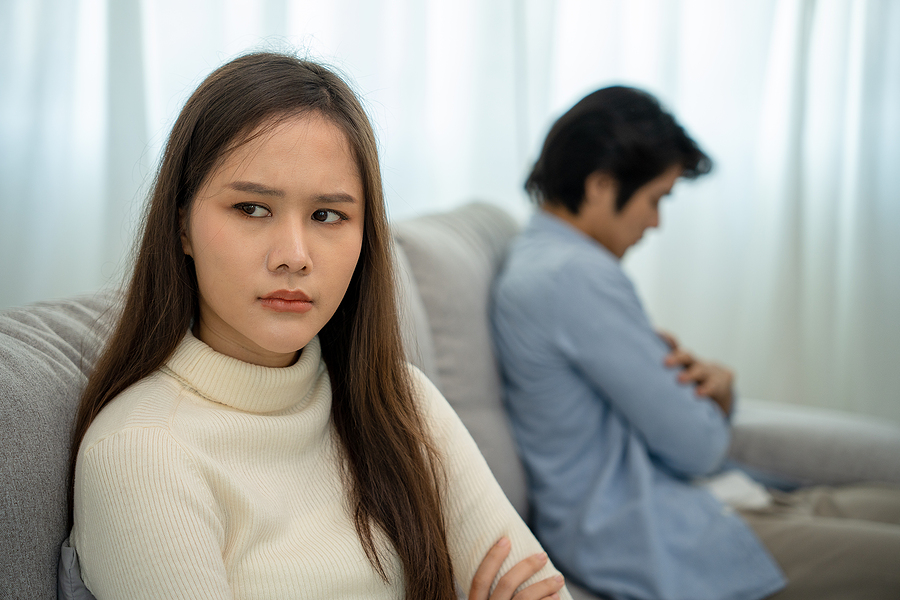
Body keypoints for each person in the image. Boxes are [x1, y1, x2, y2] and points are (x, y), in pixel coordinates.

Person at [62, 52, 570, 600]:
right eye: (252, 208)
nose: (294, 256)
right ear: (181, 224)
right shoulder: (141, 453)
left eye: (327, 215)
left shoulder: (402, 403)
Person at [491, 86, 900, 600]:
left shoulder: (544, 262)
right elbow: (697, 447)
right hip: (653, 535)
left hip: (691, 505)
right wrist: (721, 395)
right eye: (655, 200)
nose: (656, 223)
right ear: (600, 185)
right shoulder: (572, 275)